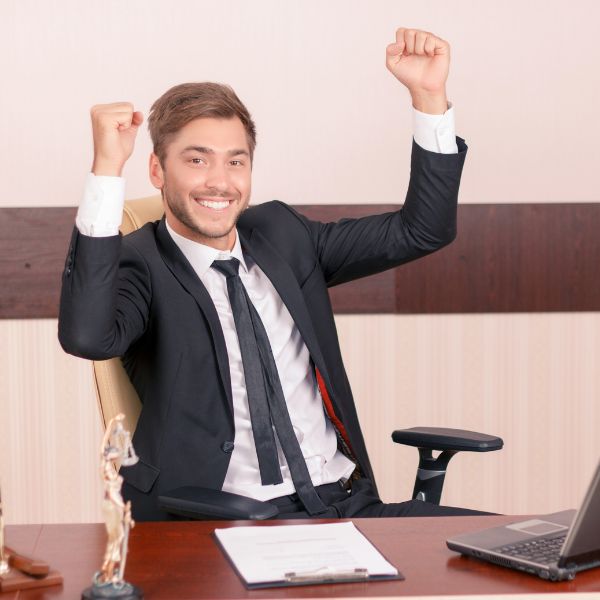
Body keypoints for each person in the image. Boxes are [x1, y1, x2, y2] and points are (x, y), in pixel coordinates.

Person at [59, 28, 476, 521]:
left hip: (343, 502)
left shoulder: (283, 234)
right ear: (156, 170)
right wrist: (107, 168)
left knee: (520, 557)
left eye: (236, 161)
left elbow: (423, 230)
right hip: (222, 518)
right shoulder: (140, 262)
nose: (220, 181)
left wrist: (428, 98)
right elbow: (87, 336)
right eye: (196, 160)